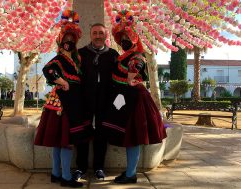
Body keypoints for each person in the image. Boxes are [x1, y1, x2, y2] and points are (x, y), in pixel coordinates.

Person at [101, 10, 167, 184]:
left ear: (135, 38)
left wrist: (130, 77)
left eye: (127, 38)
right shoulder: (125, 56)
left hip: (134, 100)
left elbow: (132, 75)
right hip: (124, 98)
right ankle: (129, 172)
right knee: (129, 137)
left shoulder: (136, 56)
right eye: (122, 38)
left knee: (133, 136)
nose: (124, 41)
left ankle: (131, 173)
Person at [34, 10, 93, 188]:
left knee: (61, 142)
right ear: (60, 41)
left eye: (71, 40)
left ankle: (56, 173)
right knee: (65, 141)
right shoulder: (59, 58)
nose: (69, 42)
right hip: (62, 104)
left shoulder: (75, 60)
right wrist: (63, 82)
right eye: (66, 39)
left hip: (71, 103)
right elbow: (48, 70)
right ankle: (66, 177)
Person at [73, 23, 119, 180]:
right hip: (84, 102)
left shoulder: (113, 54)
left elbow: (118, 79)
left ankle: (99, 167)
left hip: (105, 102)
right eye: (95, 33)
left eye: (101, 33)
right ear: (90, 35)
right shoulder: (80, 54)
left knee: (101, 135)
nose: (98, 36)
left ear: (106, 35)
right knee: (82, 135)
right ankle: (81, 168)